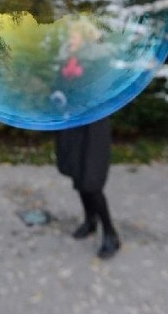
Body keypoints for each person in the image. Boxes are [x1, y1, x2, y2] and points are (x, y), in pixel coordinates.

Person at [54, 18, 121, 260]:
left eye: (72, 36)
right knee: (78, 175)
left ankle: (111, 233)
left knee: (91, 182)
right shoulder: (67, 58)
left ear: (83, 38)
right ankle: (90, 220)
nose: (68, 40)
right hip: (72, 125)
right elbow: (59, 87)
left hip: (93, 128)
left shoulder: (98, 61)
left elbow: (99, 93)